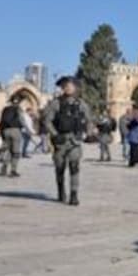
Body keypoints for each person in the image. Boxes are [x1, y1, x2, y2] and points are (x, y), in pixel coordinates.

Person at [42, 77, 94, 205]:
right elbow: (47, 121)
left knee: (74, 167)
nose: (68, 88)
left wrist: (88, 133)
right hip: (60, 140)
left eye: (71, 86)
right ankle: (61, 191)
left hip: (74, 141)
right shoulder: (56, 103)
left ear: (75, 88)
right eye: (66, 86)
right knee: (60, 168)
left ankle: (74, 194)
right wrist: (54, 134)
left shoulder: (81, 104)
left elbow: (89, 120)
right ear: (62, 88)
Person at [0, 97, 25, 177]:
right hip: (15, 130)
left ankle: (4, 167)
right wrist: (28, 130)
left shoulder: (5, 109)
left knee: (9, 151)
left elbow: (1, 121)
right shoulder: (18, 109)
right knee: (16, 152)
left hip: (6, 131)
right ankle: (13, 170)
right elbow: (22, 120)